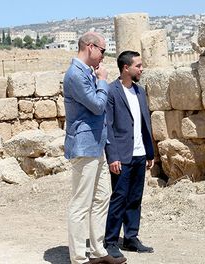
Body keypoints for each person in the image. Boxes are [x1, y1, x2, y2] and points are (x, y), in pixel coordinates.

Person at [63, 32, 126, 264]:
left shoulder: (85, 72)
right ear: (90, 47)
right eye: (102, 50)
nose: (103, 56)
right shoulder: (74, 75)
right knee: (81, 202)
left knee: (101, 198)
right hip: (84, 145)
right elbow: (98, 106)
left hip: (96, 145)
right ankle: (79, 258)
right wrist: (102, 80)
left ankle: (98, 250)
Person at [104, 51, 154, 258]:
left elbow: (144, 123)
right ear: (126, 68)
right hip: (121, 156)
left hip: (140, 154)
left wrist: (149, 152)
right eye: (138, 66)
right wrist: (112, 156)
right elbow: (108, 126)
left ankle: (131, 238)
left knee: (135, 198)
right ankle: (111, 242)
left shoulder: (140, 91)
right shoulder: (111, 92)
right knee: (119, 198)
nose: (141, 69)